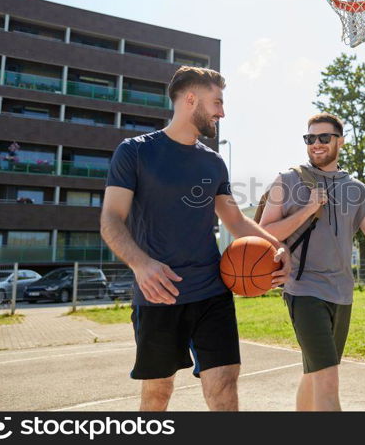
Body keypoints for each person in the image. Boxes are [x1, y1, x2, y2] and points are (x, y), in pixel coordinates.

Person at [100, 66, 291, 411]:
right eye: (217, 102)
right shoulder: (135, 152)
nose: (222, 112)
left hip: (211, 291)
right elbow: (111, 219)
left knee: (224, 385)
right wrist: (141, 265)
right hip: (159, 292)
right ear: (191, 99)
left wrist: (278, 247)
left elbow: (235, 219)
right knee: (158, 393)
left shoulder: (214, 163)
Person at [259, 112, 365, 411]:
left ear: (339, 141)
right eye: (310, 138)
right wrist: (306, 210)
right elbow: (263, 233)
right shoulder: (288, 180)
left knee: (315, 373)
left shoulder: (355, 188)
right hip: (303, 290)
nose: (315, 144)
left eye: (323, 138)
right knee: (328, 380)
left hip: (342, 293)